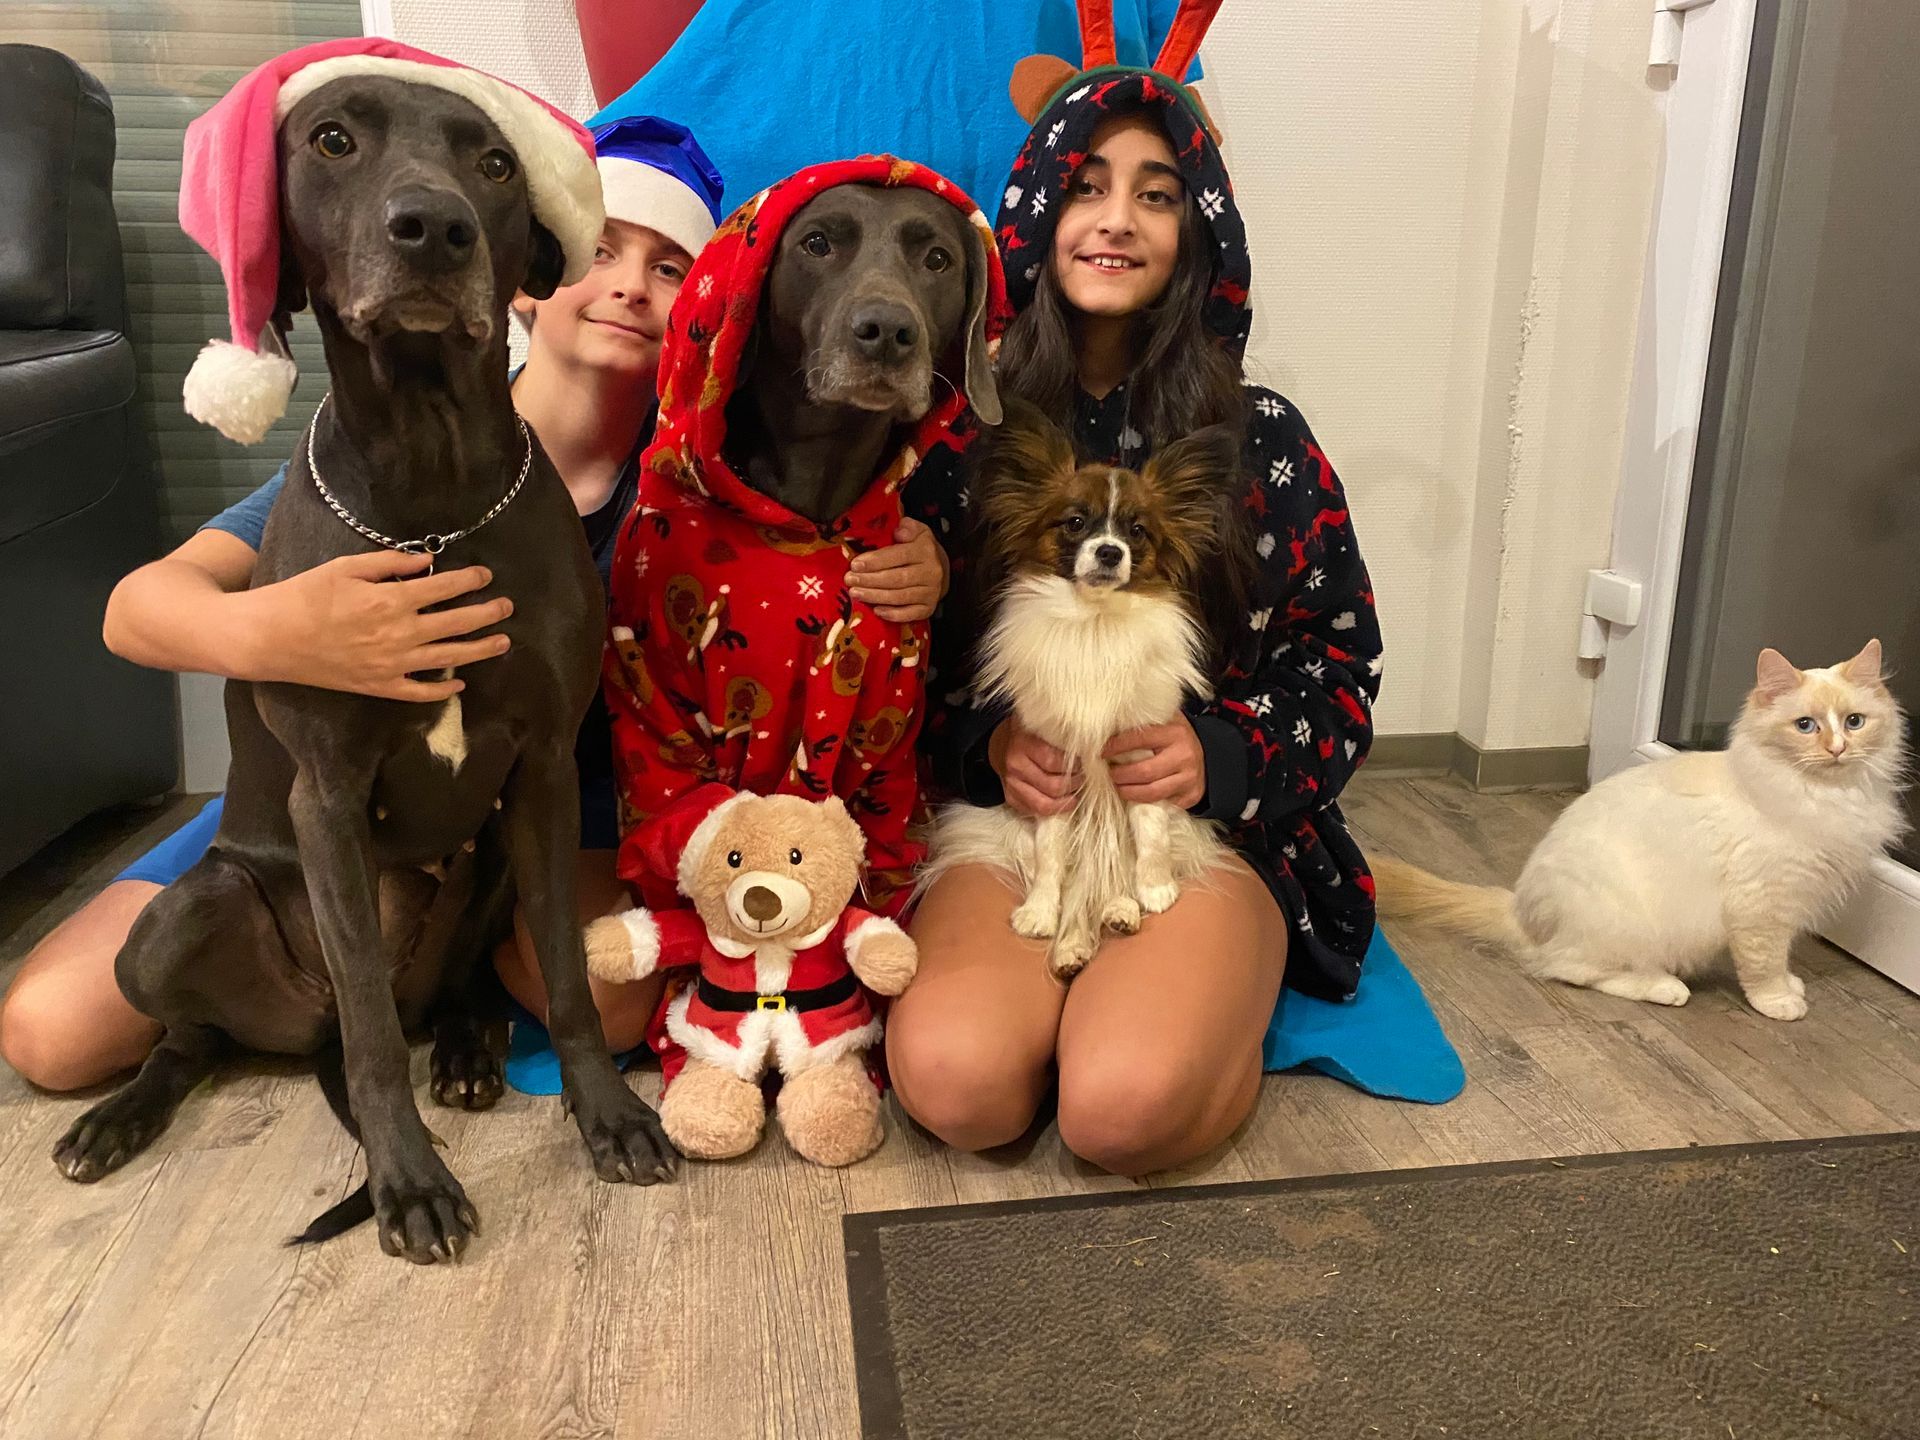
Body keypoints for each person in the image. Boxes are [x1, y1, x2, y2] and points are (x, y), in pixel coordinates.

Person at [0, 116, 945, 1093]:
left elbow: (828, 558)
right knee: (51, 1031)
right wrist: (283, 630)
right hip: (327, 803)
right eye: (603, 249)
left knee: (610, 1001)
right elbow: (137, 610)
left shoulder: (706, 485)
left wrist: (923, 564)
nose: (630, 285)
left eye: (669, 268)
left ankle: (449, 970)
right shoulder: (387, 451)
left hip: (543, 811)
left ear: (708, 305)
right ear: (527, 274)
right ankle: (345, 973)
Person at [888, 64, 1386, 1178]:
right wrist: (987, 748)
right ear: (1035, 210)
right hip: (1013, 824)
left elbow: (1342, 665)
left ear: (1198, 230)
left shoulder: (1261, 437)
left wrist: (1221, 754)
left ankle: (1172, 1005)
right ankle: (1074, 1004)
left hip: (1204, 830)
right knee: (959, 1083)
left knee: (1121, 1110)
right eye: (1086, 185)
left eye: (1157, 194)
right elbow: (890, 669)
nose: (1116, 219)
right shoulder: (959, 431)